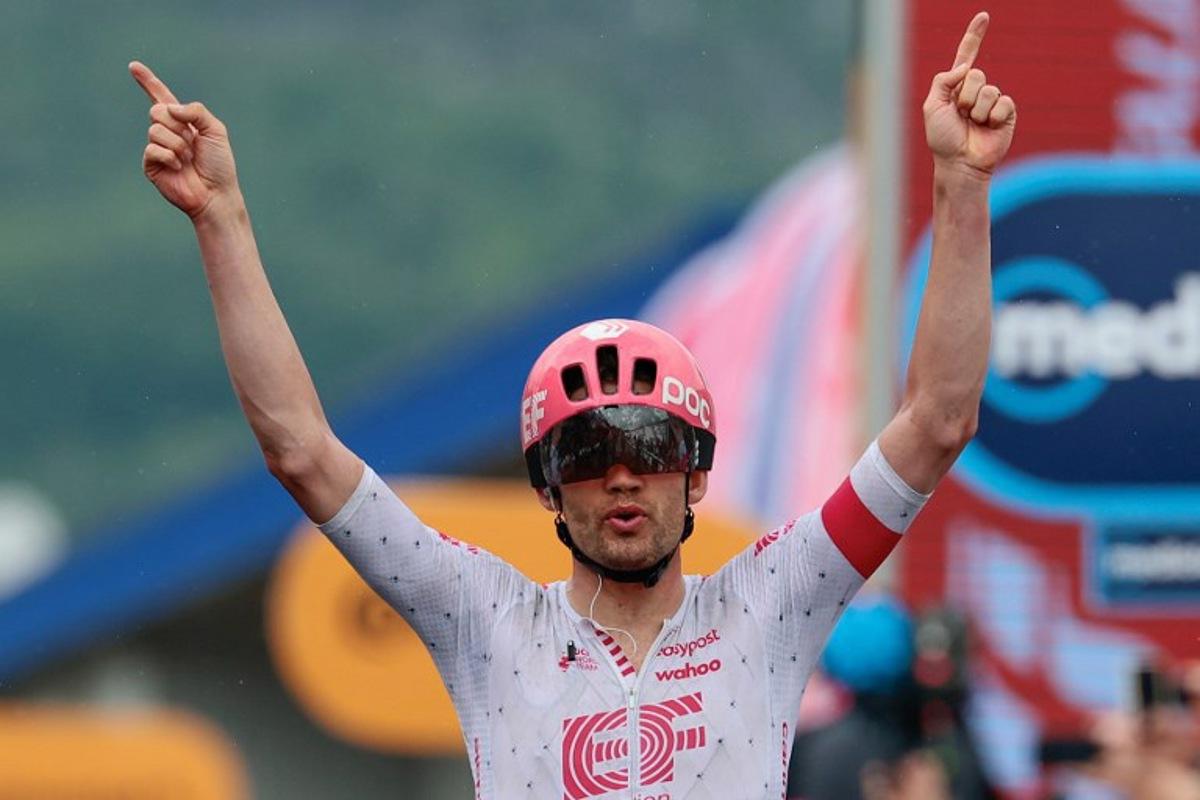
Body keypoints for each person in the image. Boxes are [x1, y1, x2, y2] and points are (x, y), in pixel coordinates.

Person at [130, 11, 1014, 798]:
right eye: (586, 456)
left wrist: (960, 188)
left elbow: (938, 420)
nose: (622, 477)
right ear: (548, 491)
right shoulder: (481, 616)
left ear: (697, 476)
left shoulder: (773, 602)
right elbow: (299, 450)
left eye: (651, 448)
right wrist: (222, 219)